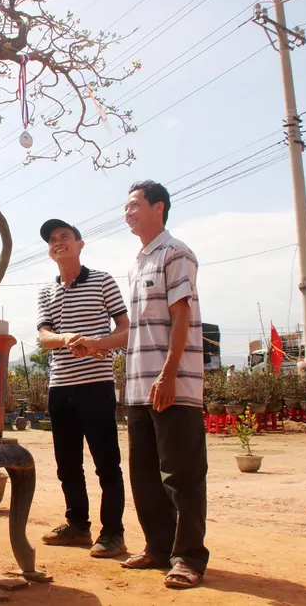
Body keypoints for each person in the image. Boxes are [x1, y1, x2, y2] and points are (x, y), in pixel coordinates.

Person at [119, 181, 208, 589]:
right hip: (138, 387)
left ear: (159, 207)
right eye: (127, 206)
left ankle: (188, 557)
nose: (128, 211)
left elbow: (181, 316)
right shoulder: (139, 261)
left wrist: (169, 372)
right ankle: (157, 546)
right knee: (144, 474)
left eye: (135, 204)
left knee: (181, 474)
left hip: (172, 384)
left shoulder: (177, 253)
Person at [36, 218, 130, 558]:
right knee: (67, 463)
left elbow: (125, 330)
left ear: (80, 245)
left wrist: (94, 343)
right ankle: (77, 525)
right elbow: (44, 336)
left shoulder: (103, 281)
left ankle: (113, 534)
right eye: (52, 240)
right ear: (49, 252)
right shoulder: (46, 291)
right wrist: (66, 339)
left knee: (107, 462)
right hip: (60, 386)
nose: (58, 242)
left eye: (64, 236)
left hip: (96, 384)